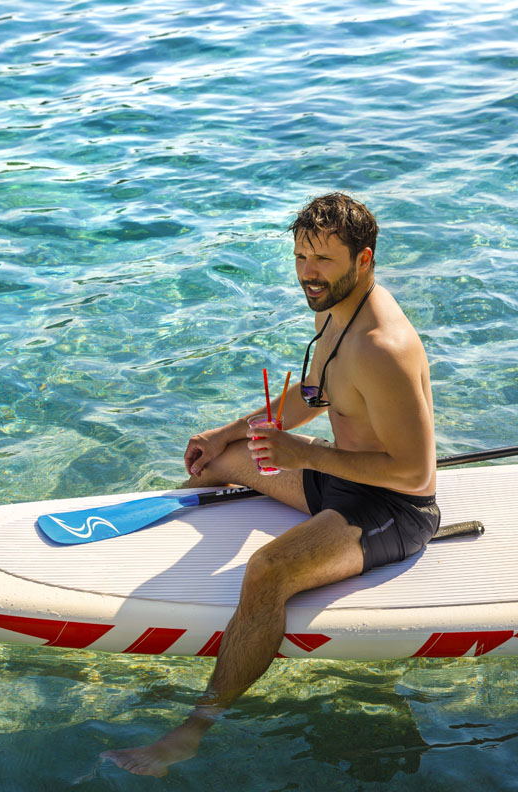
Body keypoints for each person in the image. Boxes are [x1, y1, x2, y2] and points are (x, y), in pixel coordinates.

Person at [102, 192, 440, 777]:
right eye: (301, 257)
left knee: (266, 571)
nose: (308, 273)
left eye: (323, 259)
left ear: (363, 260)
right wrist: (229, 431)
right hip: (337, 477)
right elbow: (315, 392)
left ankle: (194, 729)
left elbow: (415, 473)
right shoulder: (332, 308)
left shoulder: (382, 347)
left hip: (391, 508)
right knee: (217, 463)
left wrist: (304, 454)